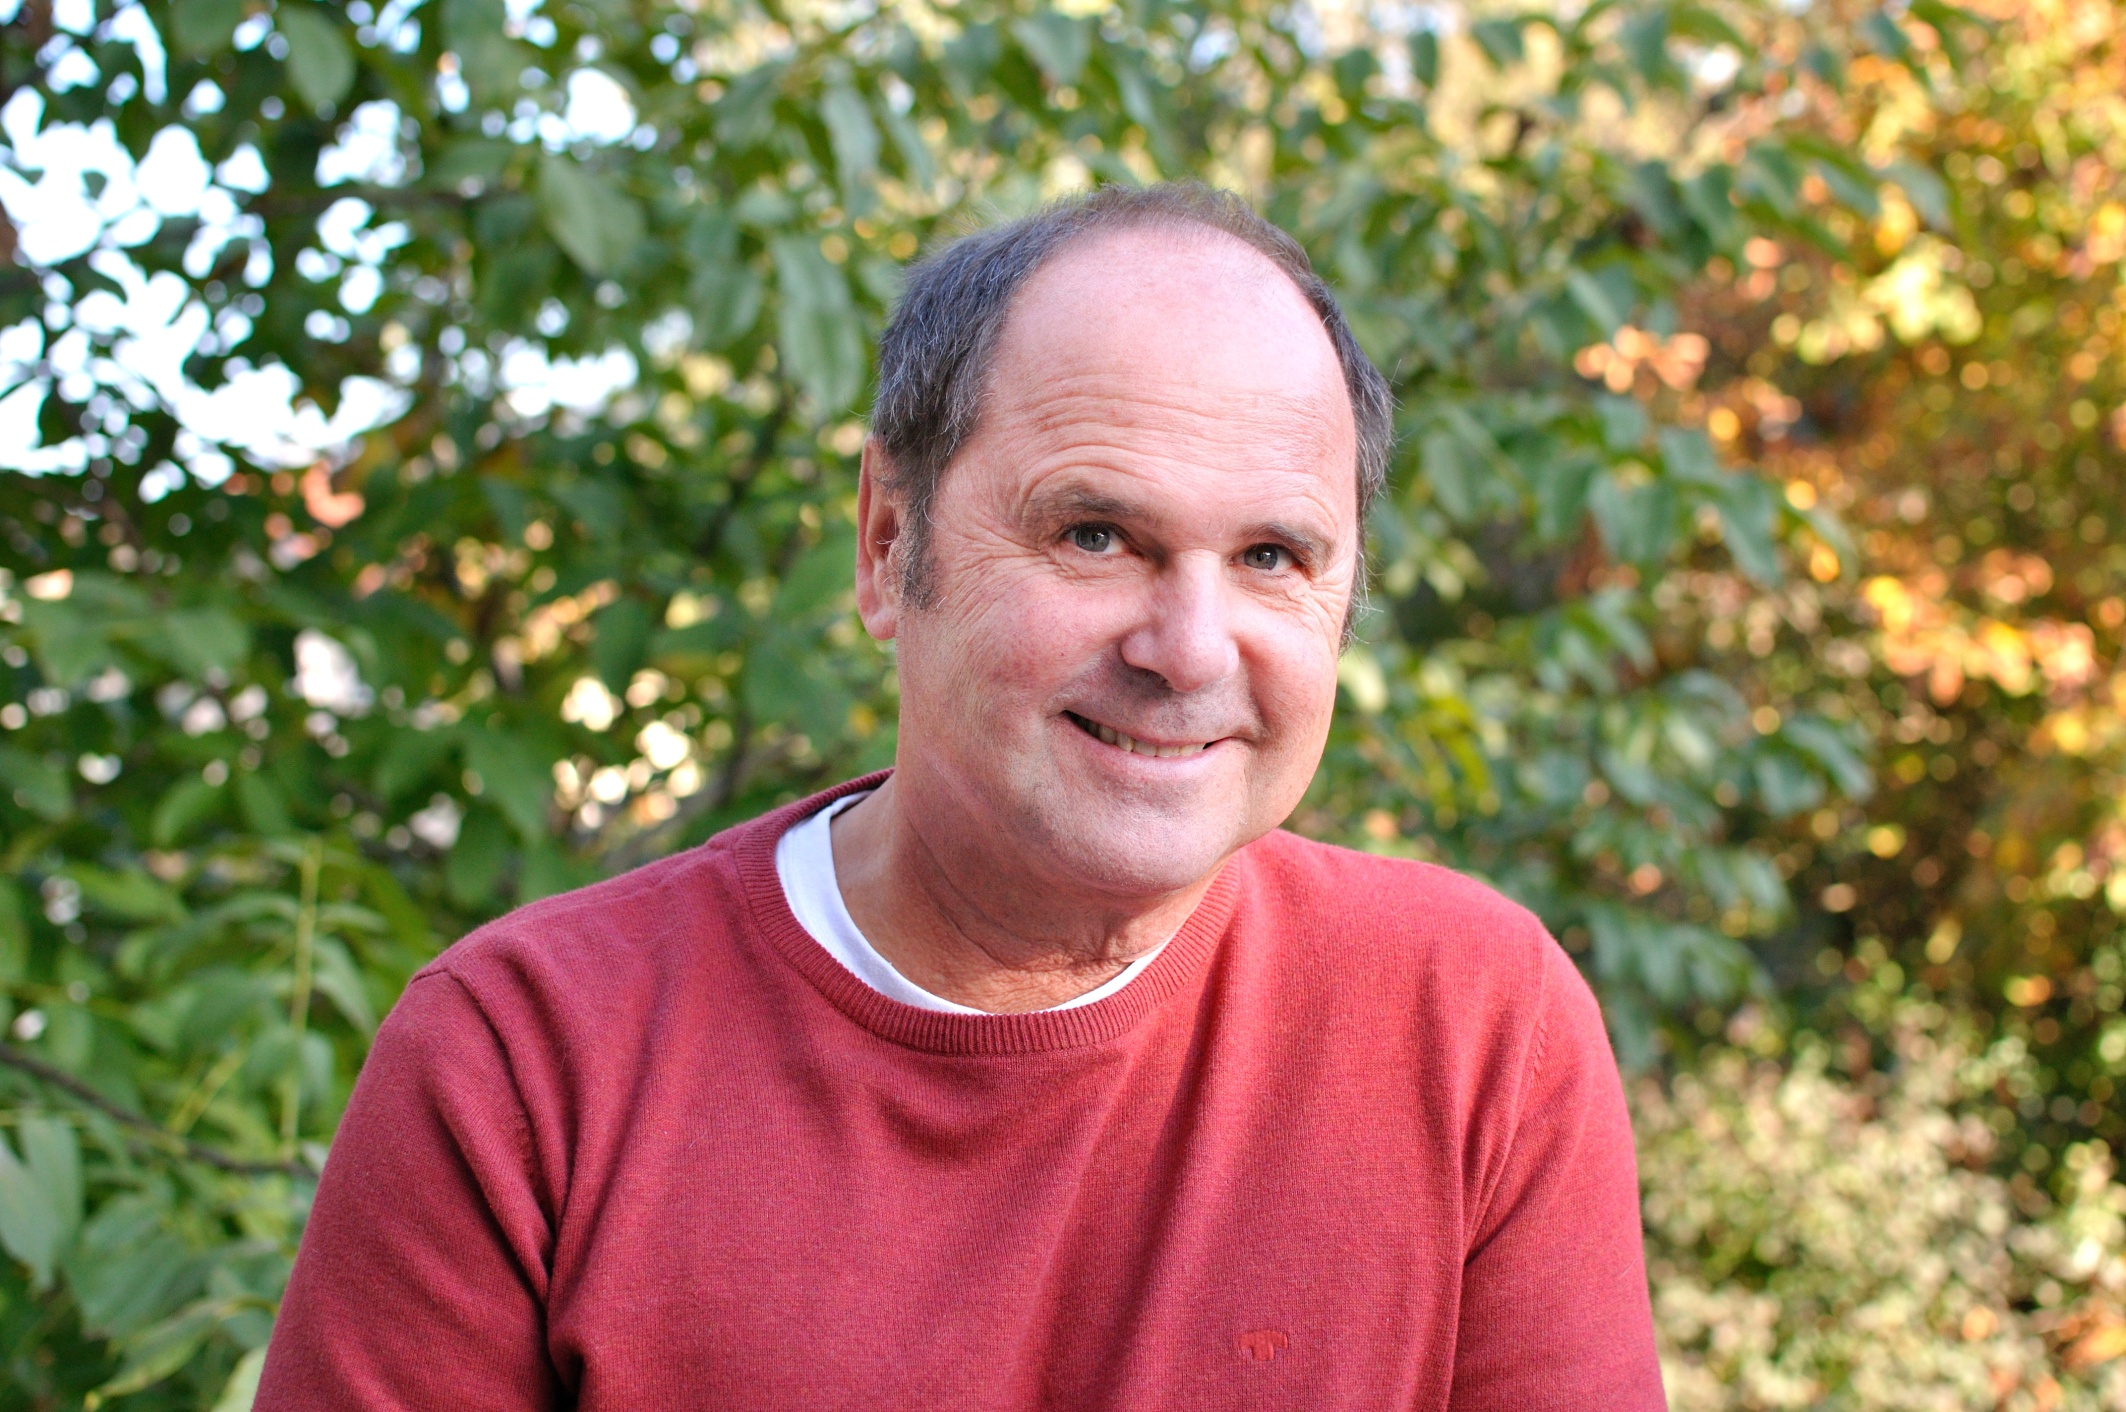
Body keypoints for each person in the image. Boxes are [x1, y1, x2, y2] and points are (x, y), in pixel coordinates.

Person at [257, 183, 1665, 1410]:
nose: (1187, 650)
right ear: (888, 543)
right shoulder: (525, 1063)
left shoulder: (1474, 1029)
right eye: (1095, 534)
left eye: (1271, 558)